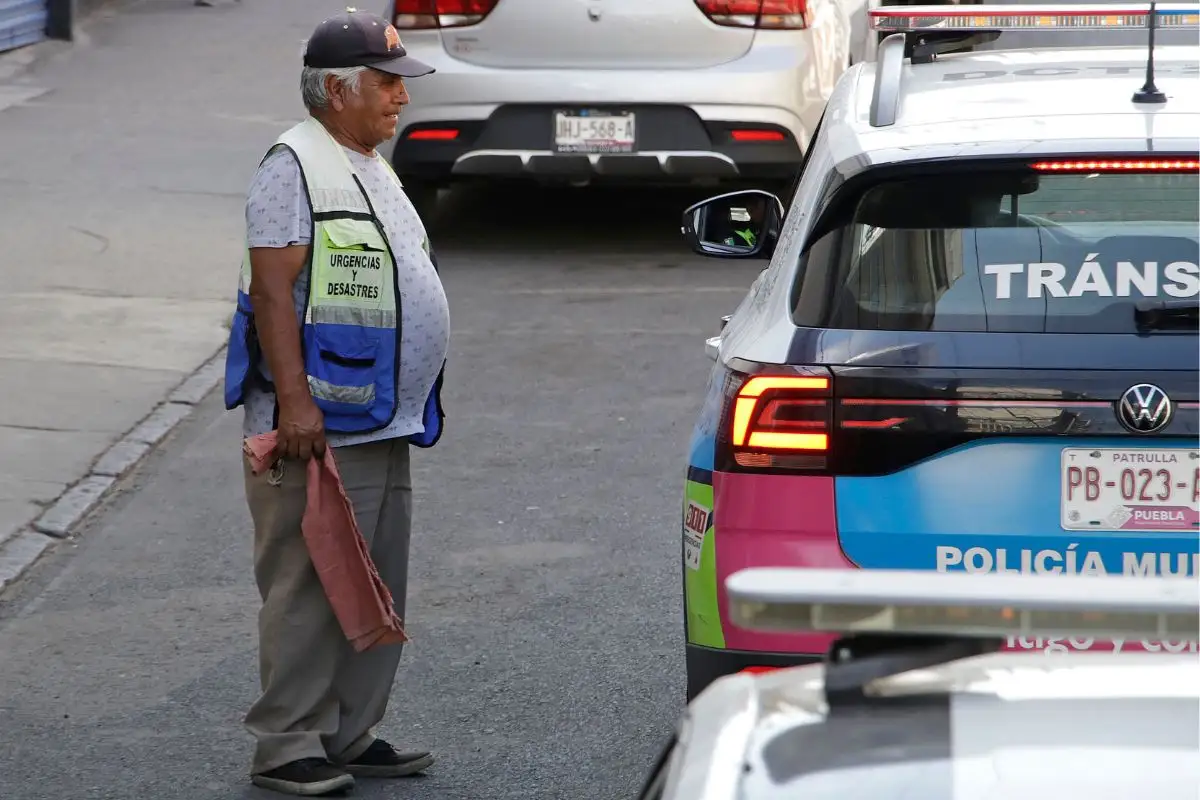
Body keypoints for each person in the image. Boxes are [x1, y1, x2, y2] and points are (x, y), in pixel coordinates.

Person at [221, 9, 450, 797]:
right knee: (309, 585)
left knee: (374, 581)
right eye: (388, 84)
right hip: (316, 426)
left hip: (378, 417)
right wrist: (295, 405)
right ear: (339, 90)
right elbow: (272, 293)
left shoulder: (365, 162)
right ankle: (288, 744)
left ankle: (350, 733)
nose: (402, 98)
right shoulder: (293, 166)